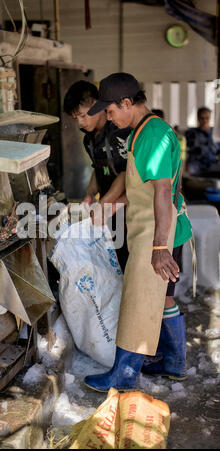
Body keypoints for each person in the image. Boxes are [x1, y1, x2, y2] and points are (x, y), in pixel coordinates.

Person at [83, 73, 193, 392]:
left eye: (111, 110)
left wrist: (160, 248)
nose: (108, 116)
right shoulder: (138, 133)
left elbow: (161, 191)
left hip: (160, 231)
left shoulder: (154, 135)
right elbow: (138, 185)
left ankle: (124, 373)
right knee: (157, 299)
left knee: (138, 299)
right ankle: (172, 362)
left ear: (127, 103)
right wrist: (112, 206)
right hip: (150, 228)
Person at [63, 80, 131, 272]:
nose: (81, 122)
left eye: (83, 115)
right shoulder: (89, 140)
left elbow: (128, 174)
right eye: (75, 118)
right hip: (110, 210)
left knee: (130, 258)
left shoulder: (119, 131)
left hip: (129, 205)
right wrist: (90, 194)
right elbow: (98, 169)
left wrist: (106, 204)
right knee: (116, 258)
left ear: (97, 105)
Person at [185, 107, 220, 177]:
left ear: (210, 118)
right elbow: (189, 149)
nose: (205, 120)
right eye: (202, 118)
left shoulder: (216, 133)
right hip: (196, 163)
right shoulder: (191, 132)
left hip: (212, 163)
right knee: (189, 171)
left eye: (207, 118)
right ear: (198, 119)